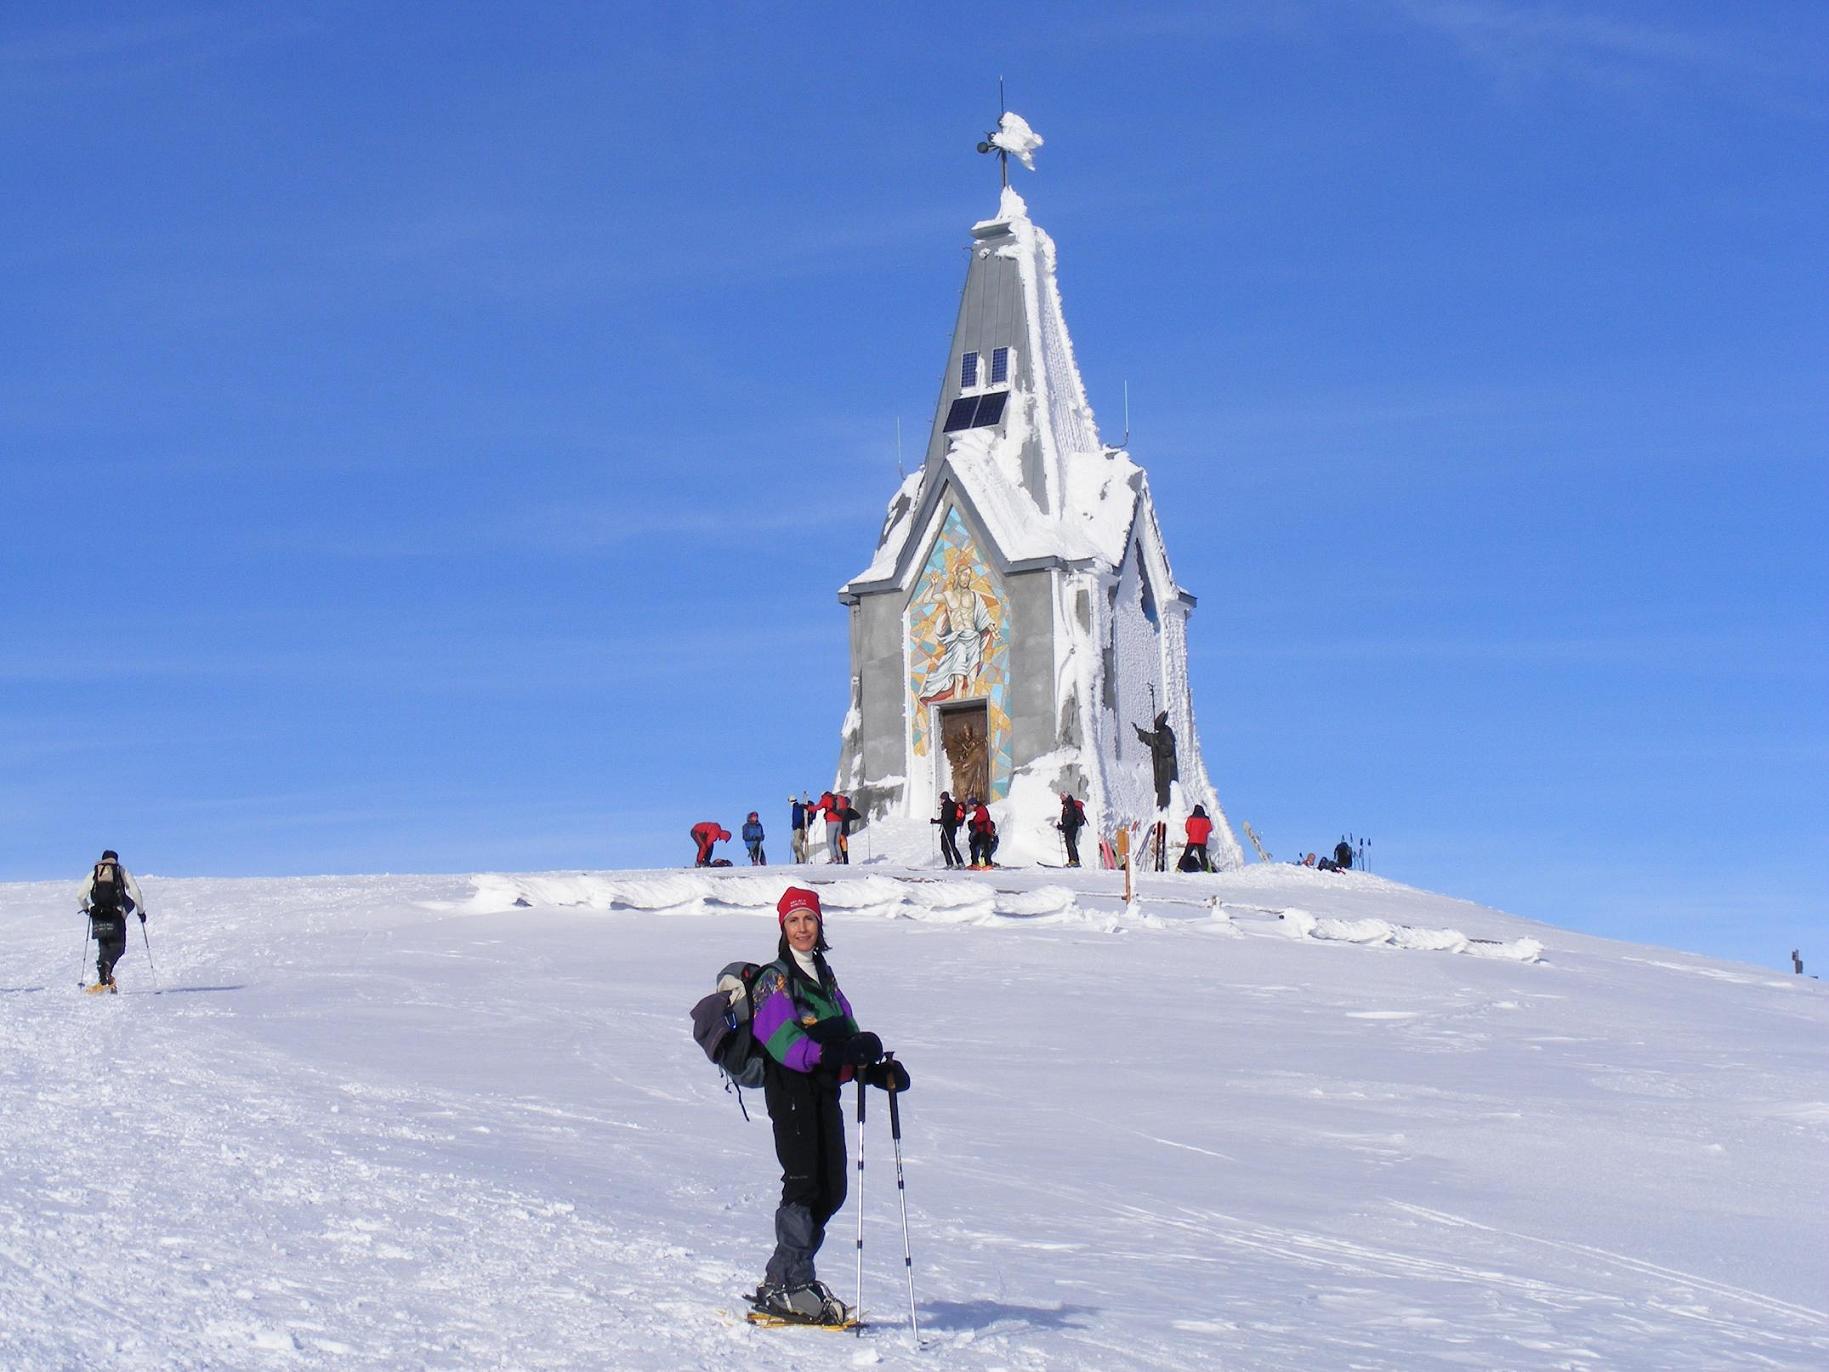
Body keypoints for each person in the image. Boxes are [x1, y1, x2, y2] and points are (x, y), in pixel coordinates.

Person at [749, 886, 910, 1325]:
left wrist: (872, 1070)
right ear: (783, 928)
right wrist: (833, 1056)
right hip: (791, 1091)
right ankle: (794, 1283)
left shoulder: (824, 975)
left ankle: (781, 1279)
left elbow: (847, 1033)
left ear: (820, 926)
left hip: (823, 1092)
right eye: (794, 921)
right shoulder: (773, 978)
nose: (803, 929)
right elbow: (783, 1040)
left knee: (833, 1188)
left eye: (809, 920)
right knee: (803, 1184)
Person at [78, 850, 144, 994]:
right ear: (116, 860)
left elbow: (80, 895)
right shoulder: (120, 870)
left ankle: (105, 979)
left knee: (104, 947)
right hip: (116, 913)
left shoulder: (95, 872)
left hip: (98, 914)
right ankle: (106, 969)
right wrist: (141, 911)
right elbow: (135, 891)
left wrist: (86, 908)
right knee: (118, 947)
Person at [1132, 710, 1179, 812]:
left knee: (1164, 799)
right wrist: (1139, 731)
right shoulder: (1162, 734)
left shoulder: (1166, 735)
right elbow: (1151, 739)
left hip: (1166, 773)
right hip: (1162, 773)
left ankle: (1163, 814)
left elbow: (1166, 749)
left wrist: (1156, 741)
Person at [932, 791, 964, 869]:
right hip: (948, 828)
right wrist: (937, 821)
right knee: (946, 846)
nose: (941, 801)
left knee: (950, 846)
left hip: (949, 828)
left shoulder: (948, 806)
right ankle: (952, 863)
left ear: (945, 799)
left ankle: (958, 863)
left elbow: (946, 819)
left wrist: (936, 821)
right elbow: (945, 819)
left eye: (942, 799)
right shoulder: (949, 805)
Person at [1180, 805, 1215, 873]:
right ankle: (1207, 871)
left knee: (1186, 855)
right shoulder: (1206, 819)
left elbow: (1187, 828)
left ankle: (1179, 869)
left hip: (1192, 840)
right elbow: (1210, 828)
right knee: (1202, 857)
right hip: (1202, 841)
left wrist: (1192, 833)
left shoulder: (1191, 818)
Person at [1057, 793, 1087, 867]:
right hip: (1071, 827)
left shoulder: (1069, 805)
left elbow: (1070, 818)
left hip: (1071, 827)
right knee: (1069, 843)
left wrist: (1063, 826)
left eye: (1062, 797)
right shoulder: (1068, 804)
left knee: (1070, 843)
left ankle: (1075, 861)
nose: (1060, 798)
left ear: (1065, 797)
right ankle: (1072, 860)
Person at [815, 792, 845, 864]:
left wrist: (808, 808)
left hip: (831, 822)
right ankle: (840, 858)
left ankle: (834, 858)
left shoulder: (826, 798)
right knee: (837, 842)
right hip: (839, 822)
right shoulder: (836, 798)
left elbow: (818, 807)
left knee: (830, 842)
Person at [967, 798, 997, 869]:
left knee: (985, 847)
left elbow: (982, 818)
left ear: (974, 805)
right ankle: (974, 863)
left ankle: (988, 863)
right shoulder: (978, 809)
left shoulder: (981, 809)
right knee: (973, 845)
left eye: (970, 806)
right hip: (980, 831)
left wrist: (973, 822)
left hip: (985, 831)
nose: (969, 807)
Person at [789, 795, 810, 864]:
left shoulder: (796, 808)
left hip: (798, 828)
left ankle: (801, 859)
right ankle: (799, 859)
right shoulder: (800, 807)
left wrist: (794, 825)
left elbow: (798, 818)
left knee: (796, 844)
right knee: (797, 843)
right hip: (802, 828)